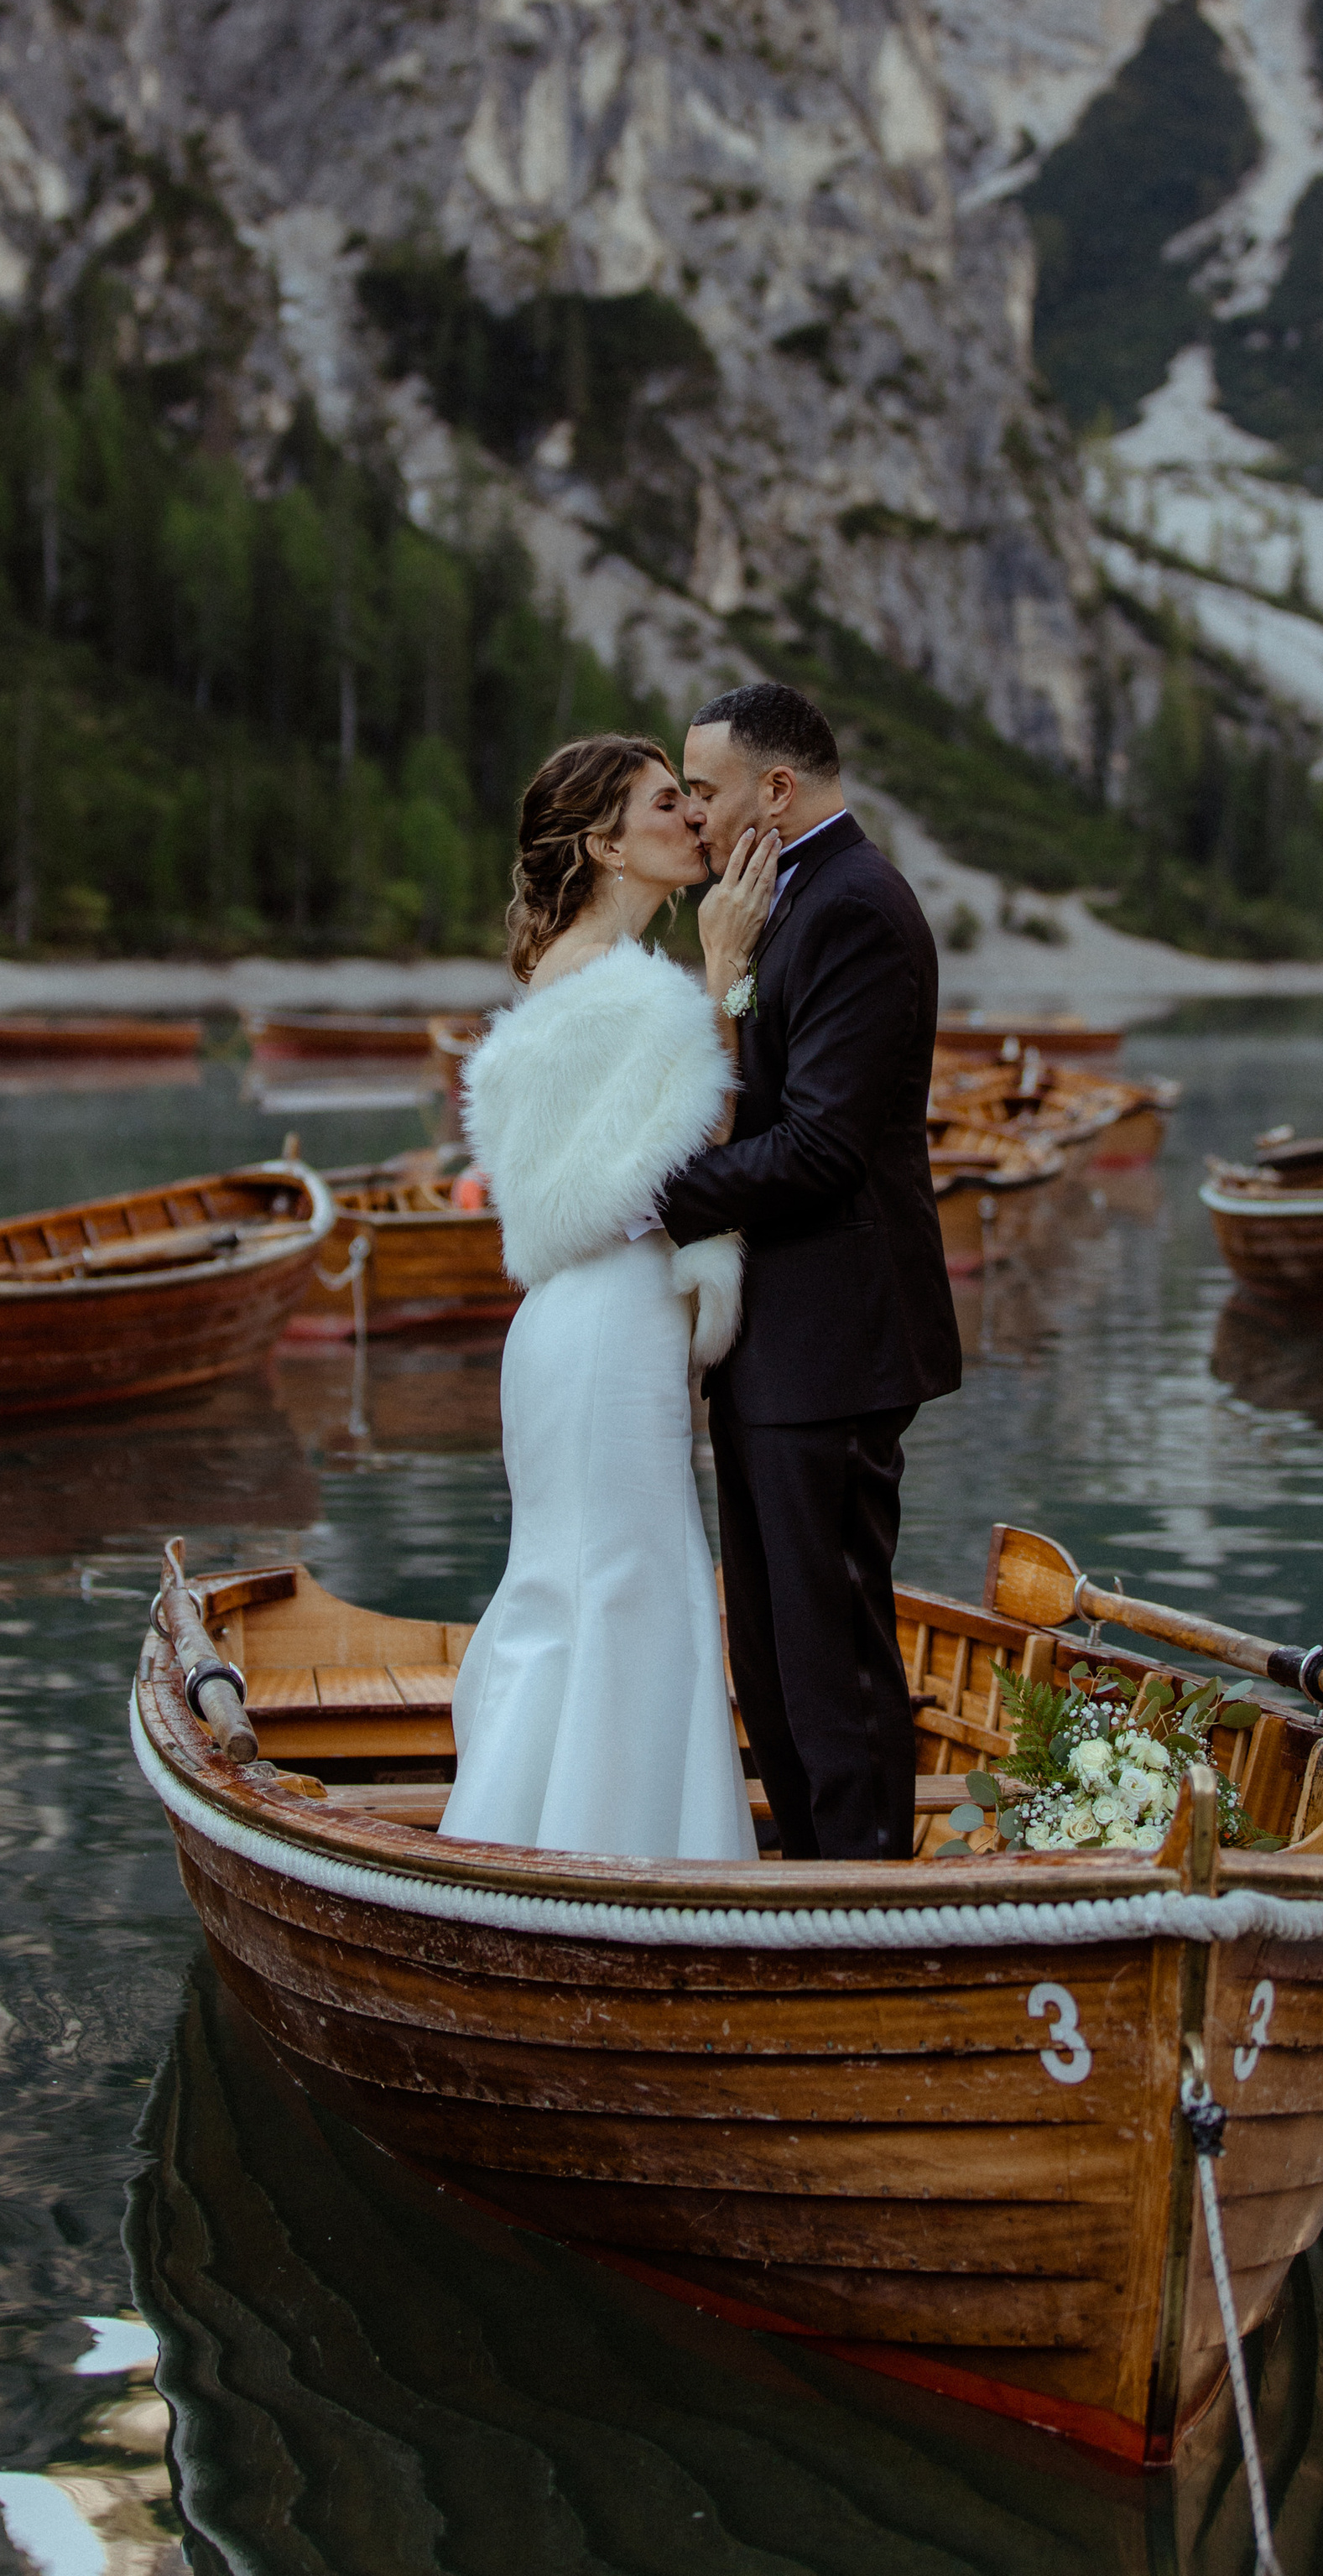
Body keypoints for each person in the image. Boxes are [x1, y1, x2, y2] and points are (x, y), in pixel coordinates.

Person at [440, 732, 779, 1860]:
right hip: (610, 1326)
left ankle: (534, 1846)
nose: (695, 820)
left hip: (564, 1330)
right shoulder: (636, 993)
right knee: (631, 1586)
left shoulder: (566, 974)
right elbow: (709, 1142)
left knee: (573, 1582)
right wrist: (729, 970)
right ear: (605, 845)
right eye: (666, 804)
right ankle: (616, 1864)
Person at [659, 681, 961, 1862]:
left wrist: (647, 1189)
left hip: (834, 1340)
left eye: (708, 788)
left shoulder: (854, 909)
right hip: (779, 1339)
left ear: (777, 790)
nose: (693, 812)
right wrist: (721, 982)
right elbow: (761, 1074)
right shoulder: (778, 899)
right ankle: (808, 1876)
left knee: (828, 1649)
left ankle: (867, 1892)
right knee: (776, 1652)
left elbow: (825, 1148)